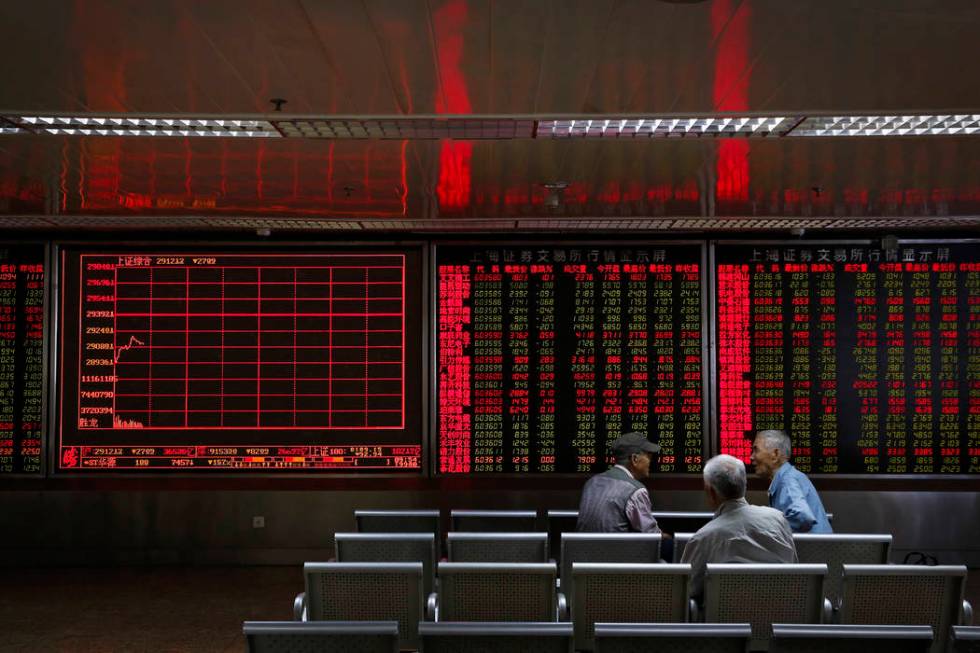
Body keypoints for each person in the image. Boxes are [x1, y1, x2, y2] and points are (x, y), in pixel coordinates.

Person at [681, 454, 797, 603]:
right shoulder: (779, 520)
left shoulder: (703, 538)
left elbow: (686, 592)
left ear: (711, 492)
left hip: (727, 623)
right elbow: (794, 571)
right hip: (779, 619)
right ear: (744, 484)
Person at [576, 432, 662, 534]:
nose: (650, 461)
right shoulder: (636, 490)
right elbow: (651, 534)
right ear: (634, 459)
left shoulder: (591, 483)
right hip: (616, 549)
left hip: (582, 549)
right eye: (649, 456)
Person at [751, 429, 832, 533]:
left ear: (775, 454)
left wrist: (766, 529)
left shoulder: (787, 481)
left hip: (814, 548)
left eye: (756, 450)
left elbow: (803, 517)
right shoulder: (789, 477)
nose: (751, 456)